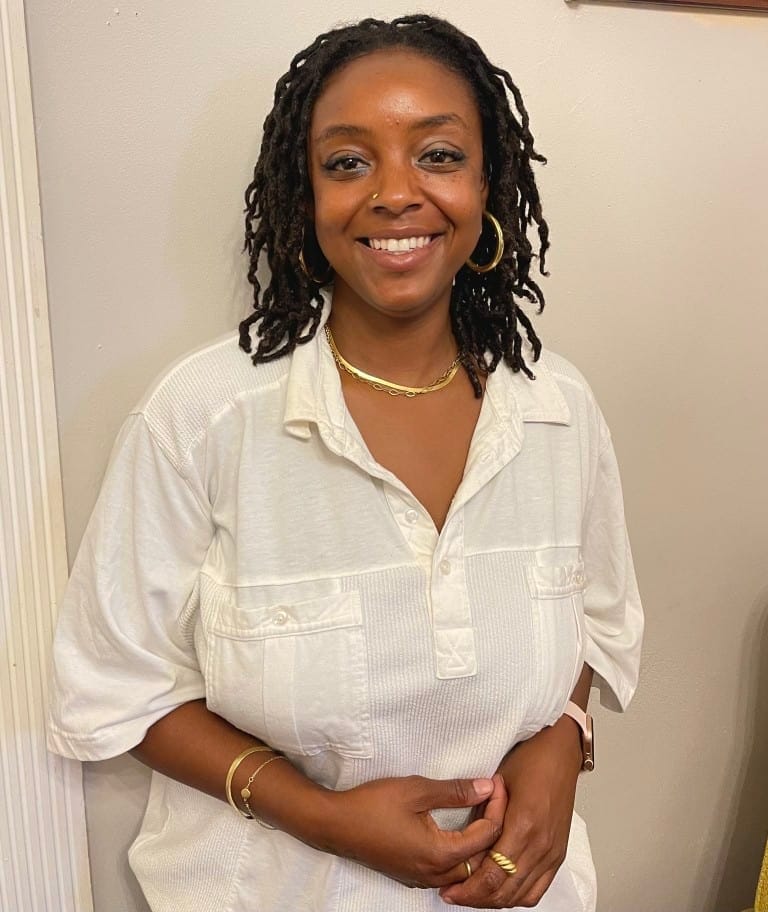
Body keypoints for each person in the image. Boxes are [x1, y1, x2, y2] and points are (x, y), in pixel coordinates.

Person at [47, 14, 643, 912]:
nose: (396, 194)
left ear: (490, 183)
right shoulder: (206, 415)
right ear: (304, 194)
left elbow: (595, 619)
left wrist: (563, 737)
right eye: (348, 162)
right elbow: (113, 688)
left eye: (438, 155)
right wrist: (319, 816)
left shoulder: (558, 409)